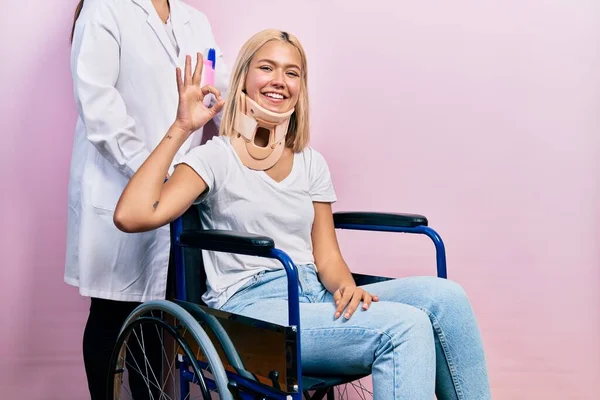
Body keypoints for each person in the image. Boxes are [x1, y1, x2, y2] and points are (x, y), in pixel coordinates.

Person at [113, 29, 492, 399]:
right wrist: (183, 126)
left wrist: (347, 289)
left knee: (447, 298)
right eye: (266, 68)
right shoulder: (216, 157)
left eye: (291, 72)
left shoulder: (310, 163)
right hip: (250, 308)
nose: (279, 80)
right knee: (405, 327)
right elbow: (131, 216)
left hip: (312, 293)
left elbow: (326, 256)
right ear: (243, 78)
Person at [65, 0, 229, 398]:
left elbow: (221, 94)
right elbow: (99, 109)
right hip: (119, 185)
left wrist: (248, 150)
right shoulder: (105, 9)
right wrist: (158, 174)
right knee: (111, 313)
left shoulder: (195, 21)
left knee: (161, 317)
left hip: (179, 198)